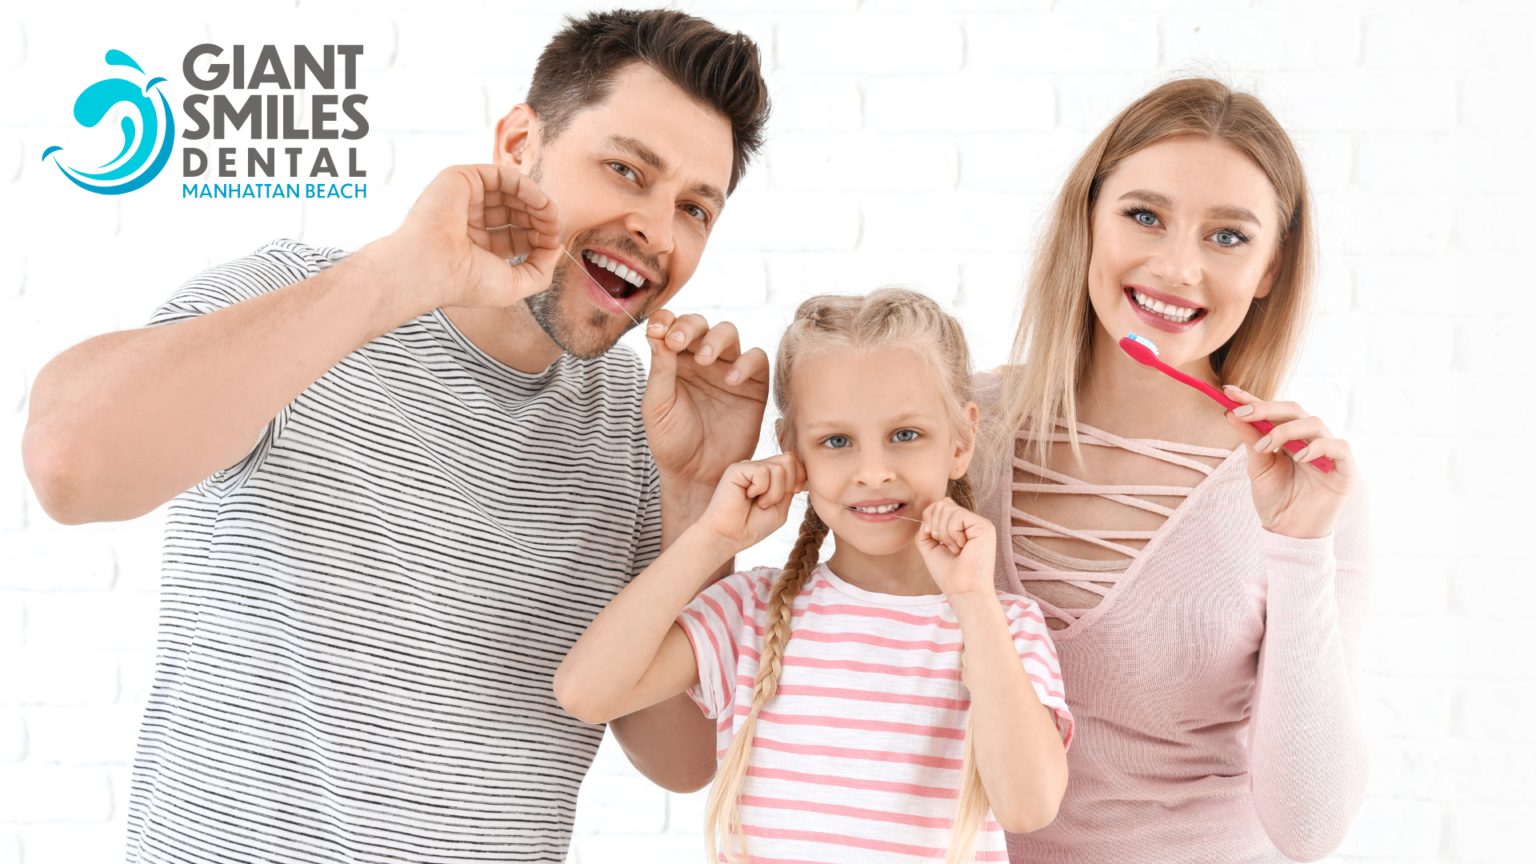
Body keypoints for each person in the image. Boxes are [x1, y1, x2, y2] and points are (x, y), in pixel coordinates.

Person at [21, 10, 771, 864]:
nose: (658, 231)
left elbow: (679, 757)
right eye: (625, 169)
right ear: (520, 142)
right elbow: (67, 464)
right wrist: (398, 273)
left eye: (694, 208)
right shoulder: (300, 302)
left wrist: (700, 500)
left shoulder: (643, 429)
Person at [976, 78, 1370, 864]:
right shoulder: (962, 428)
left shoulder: (1304, 488)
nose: (1177, 267)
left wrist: (1299, 546)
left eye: (1227, 237)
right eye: (1145, 216)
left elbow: (1312, 828)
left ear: (1270, 268)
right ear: (1087, 217)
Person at [555, 289, 1075, 864]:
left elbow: (1029, 808)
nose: (873, 473)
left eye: (905, 435)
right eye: (836, 441)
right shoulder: (750, 610)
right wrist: (712, 537)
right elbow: (585, 692)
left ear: (961, 442)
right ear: (790, 450)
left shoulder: (1005, 626)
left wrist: (974, 600)